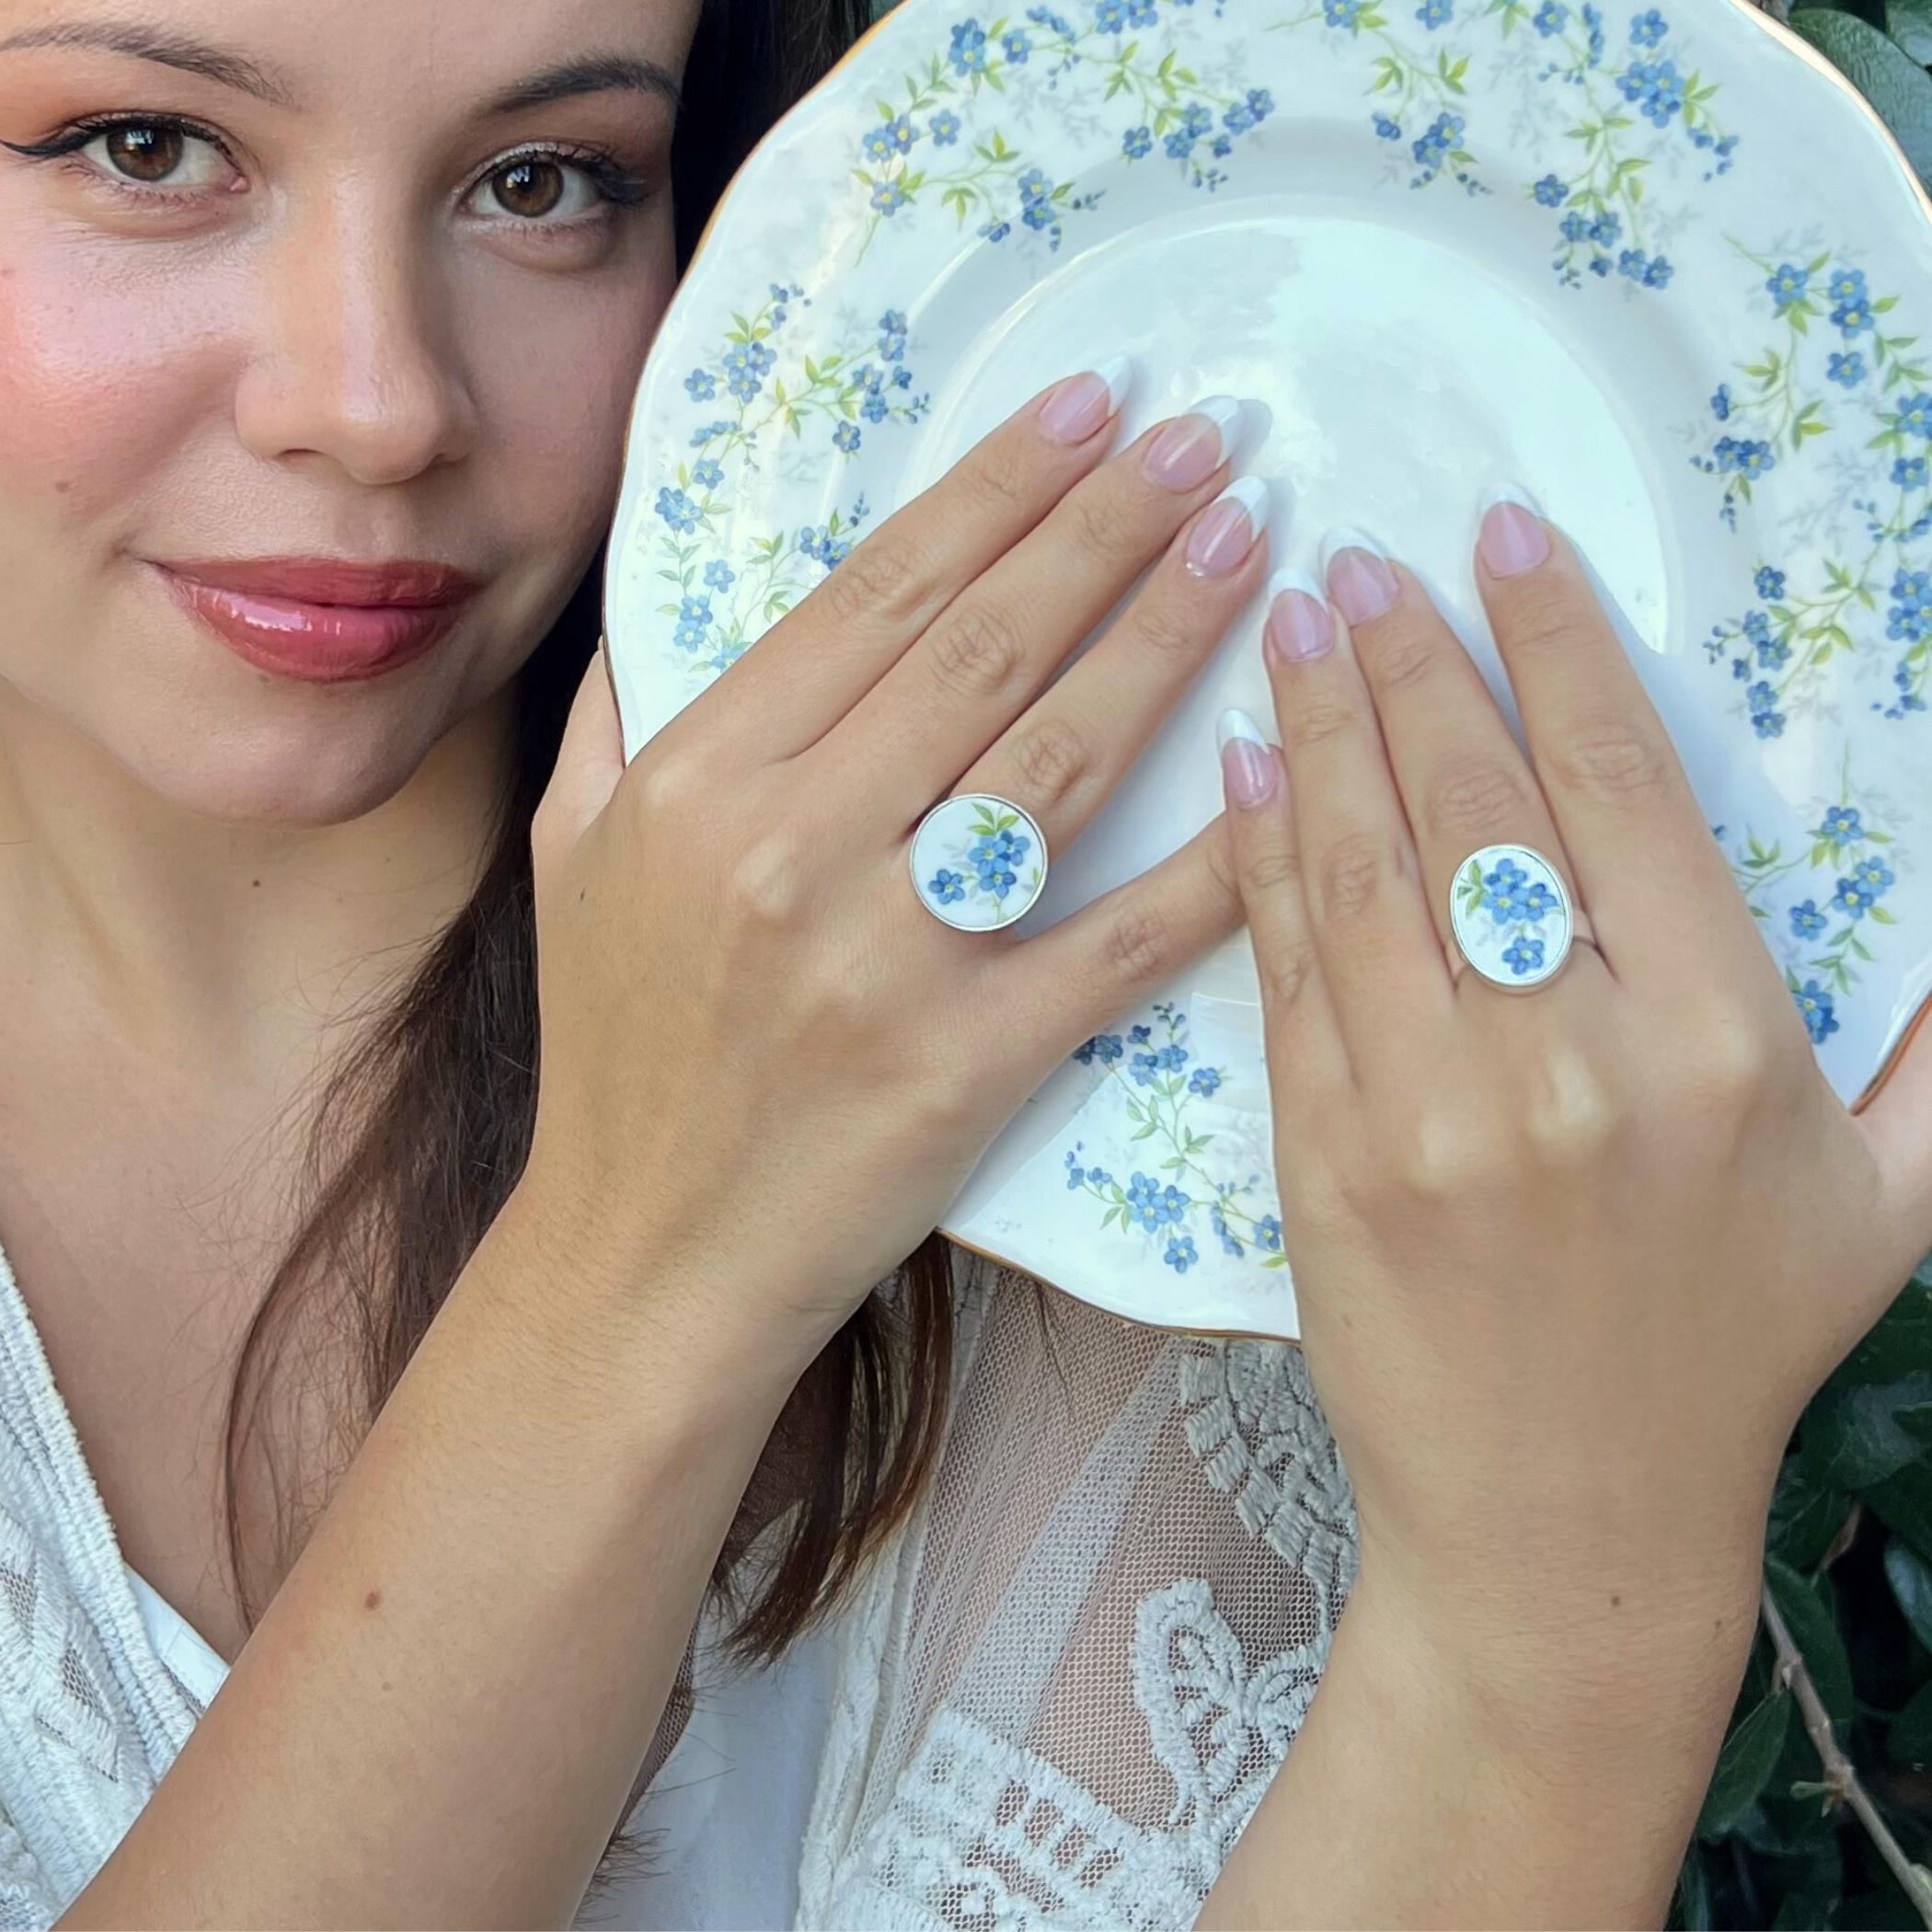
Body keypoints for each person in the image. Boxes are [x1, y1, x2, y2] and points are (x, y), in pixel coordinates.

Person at [1, 3, 1928, 1930]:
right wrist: (648, 1254)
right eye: (141, 149)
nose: (379, 398)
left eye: (547, 180)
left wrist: (1563, 1615)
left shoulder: (1171, 1170)